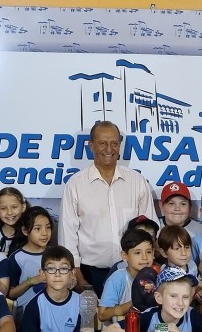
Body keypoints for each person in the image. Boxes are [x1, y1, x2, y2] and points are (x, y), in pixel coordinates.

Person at [60, 120, 157, 296]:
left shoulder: (137, 182)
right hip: (90, 274)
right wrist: (77, 275)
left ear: (120, 146)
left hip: (133, 272)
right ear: (91, 146)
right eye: (102, 143)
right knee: (93, 323)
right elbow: (68, 234)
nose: (109, 149)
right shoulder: (75, 185)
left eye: (114, 143)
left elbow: (149, 231)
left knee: (133, 321)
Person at [101, 267, 202, 332]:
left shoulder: (191, 315)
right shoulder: (149, 316)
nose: (180, 303)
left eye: (185, 297)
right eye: (173, 296)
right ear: (159, 298)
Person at [0, 206, 54, 315]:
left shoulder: (56, 254)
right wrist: (31, 281)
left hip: (52, 312)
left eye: (48, 227)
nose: (45, 233)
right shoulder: (17, 258)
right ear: (25, 230)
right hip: (25, 314)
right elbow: (11, 294)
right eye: (38, 228)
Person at [19, 246, 82, 332]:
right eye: (51, 269)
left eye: (63, 269)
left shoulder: (81, 302)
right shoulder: (34, 305)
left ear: (72, 273)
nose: (57, 274)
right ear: (43, 274)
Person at [99, 228, 157, 325]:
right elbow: (102, 315)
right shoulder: (117, 278)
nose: (144, 257)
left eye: (148, 252)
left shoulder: (157, 277)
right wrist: (135, 302)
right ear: (124, 256)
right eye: (138, 253)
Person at [0, 186, 27, 254]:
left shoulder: (29, 235)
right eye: (3, 208)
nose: (9, 212)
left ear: (23, 207)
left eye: (14, 207)